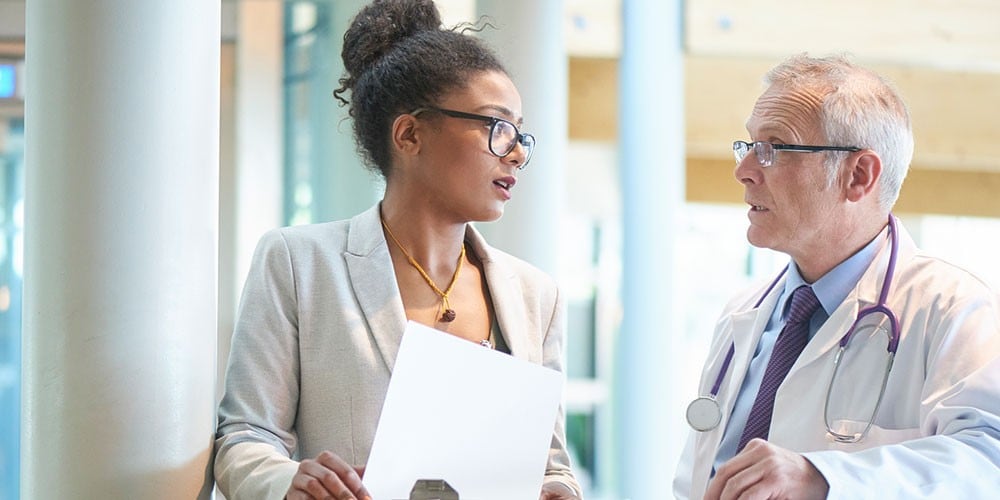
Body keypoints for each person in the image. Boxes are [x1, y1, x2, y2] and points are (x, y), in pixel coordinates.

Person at [213, 1, 582, 499]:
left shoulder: (537, 295)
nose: (515, 151)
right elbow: (245, 435)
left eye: (519, 134)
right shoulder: (299, 264)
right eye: (497, 127)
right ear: (409, 134)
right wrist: (289, 481)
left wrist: (560, 491)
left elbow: (551, 464)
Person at [674, 54, 1000, 499]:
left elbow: (987, 460)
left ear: (858, 175)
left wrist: (822, 478)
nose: (744, 171)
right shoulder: (745, 312)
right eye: (747, 145)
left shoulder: (952, 308)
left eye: (773, 148)